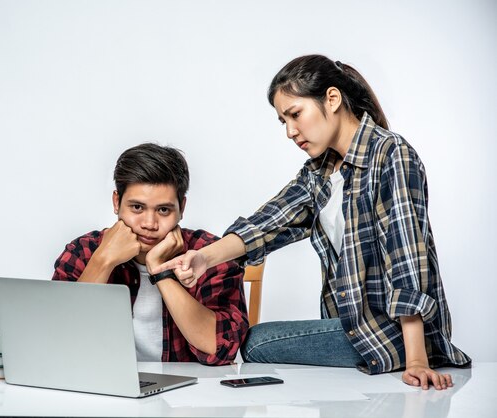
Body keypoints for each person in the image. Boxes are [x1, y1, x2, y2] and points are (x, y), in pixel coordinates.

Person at [154, 55, 471, 389]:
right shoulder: (319, 173)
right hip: (355, 328)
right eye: (283, 121)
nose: (291, 131)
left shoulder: (391, 154)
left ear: (331, 99)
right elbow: (268, 224)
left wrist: (417, 361)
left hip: (394, 335)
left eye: (295, 114)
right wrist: (204, 258)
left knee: (256, 342)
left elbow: (407, 257)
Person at [52, 143, 248, 366]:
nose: (149, 224)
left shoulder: (207, 254)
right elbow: (59, 340)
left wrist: (160, 271)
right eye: (137, 207)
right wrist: (104, 260)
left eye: (163, 210)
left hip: (189, 393)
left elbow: (220, 348)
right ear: (117, 202)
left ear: (181, 208)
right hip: (104, 390)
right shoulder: (84, 252)